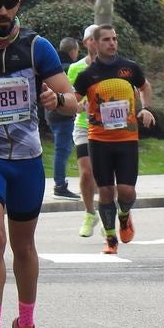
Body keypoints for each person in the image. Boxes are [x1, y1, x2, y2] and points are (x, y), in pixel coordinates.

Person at [0, 0, 78, 328]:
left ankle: (26, 327)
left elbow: (72, 103)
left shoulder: (37, 47)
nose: (3, 11)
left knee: (23, 246)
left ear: (18, 6)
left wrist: (56, 99)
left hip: (26, 160)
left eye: (9, 4)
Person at [72, 24, 156, 254]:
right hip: (99, 140)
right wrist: (74, 105)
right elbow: (73, 100)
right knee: (107, 191)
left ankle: (124, 215)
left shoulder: (129, 68)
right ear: (95, 44)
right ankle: (110, 239)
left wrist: (146, 108)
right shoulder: (87, 75)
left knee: (127, 191)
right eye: (107, 39)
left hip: (127, 138)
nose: (112, 43)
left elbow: (144, 86)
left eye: (114, 39)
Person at [70, 25, 100, 236]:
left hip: (108, 127)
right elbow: (70, 98)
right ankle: (90, 213)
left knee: (107, 176)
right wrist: (79, 105)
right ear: (86, 43)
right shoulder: (76, 68)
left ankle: (116, 210)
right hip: (83, 126)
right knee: (86, 172)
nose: (96, 43)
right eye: (92, 39)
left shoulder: (115, 67)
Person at [48, 36, 82, 199]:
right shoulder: (70, 68)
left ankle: (60, 183)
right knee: (62, 149)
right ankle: (60, 185)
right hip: (64, 112)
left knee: (60, 148)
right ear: (73, 51)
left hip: (50, 112)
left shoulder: (52, 66)